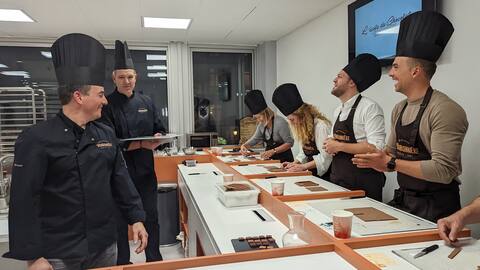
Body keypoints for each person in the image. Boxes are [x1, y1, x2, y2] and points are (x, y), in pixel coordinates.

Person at [3, 33, 147, 270]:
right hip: (58, 252)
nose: (106, 101)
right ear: (79, 97)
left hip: (104, 246)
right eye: (100, 94)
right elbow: (24, 201)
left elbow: (121, 180)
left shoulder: (106, 135)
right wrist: (33, 256)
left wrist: (137, 218)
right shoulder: (36, 139)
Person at [352, 11, 469, 222]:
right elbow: (391, 152)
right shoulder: (399, 108)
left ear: (415, 72)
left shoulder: (445, 109)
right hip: (405, 202)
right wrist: (372, 158)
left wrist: (389, 164)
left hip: (438, 212)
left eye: (396, 66)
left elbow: (444, 170)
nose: (390, 73)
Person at [101, 40, 165, 264]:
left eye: (130, 77)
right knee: (119, 223)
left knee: (151, 218)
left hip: (146, 172)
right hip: (118, 176)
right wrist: (140, 145)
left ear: (136, 77)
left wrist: (159, 138)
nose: (127, 81)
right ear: (114, 78)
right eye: (122, 77)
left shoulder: (146, 101)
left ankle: (154, 260)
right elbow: (107, 143)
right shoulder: (106, 104)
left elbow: (160, 129)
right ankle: (122, 264)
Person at [323, 53, 386, 201]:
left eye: (339, 76)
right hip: (338, 179)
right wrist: (329, 145)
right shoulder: (338, 110)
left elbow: (376, 148)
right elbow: (333, 141)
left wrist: (338, 146)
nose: (334, 79)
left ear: (351, 83)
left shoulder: (370, 108)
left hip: (363, 184)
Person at [272, 83, 332, 179]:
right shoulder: (303, 128)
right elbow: (303, 153)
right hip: (312, 173)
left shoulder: (321, 126)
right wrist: (294, 163)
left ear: (302, 115)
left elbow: (326, 158)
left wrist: (303, 166)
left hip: (326, 176)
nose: (292, 123)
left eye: (292, 119)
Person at [240, 90, 294, 162]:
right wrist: (244, 146)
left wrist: (273, 151)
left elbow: (290, 143)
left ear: (266, 113)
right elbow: (254, 140)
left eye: (259, 117)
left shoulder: (280, 122)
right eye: (256, 118)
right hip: (270, 160)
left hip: (284, 160)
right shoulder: (261, 125)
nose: (258, 120)